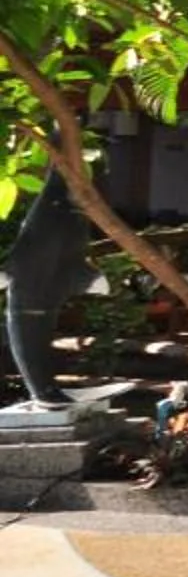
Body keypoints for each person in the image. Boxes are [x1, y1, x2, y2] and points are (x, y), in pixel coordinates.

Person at [4, 171, 91, 406]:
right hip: (26, 304)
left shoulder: (72, 219)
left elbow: (74, 258)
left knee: (40, 347)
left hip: (49, 302)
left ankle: (46, 389)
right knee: (32, 348)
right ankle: (42, 390)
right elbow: (24, 253)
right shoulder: (53, 217)